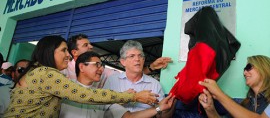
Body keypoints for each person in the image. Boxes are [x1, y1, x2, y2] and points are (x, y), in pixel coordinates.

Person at [3, 35, 159, 118]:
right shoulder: (46, 74)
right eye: (63, 51)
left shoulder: (39, 72)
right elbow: (86, 94)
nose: (68, 56)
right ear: (50, 52)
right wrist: (132, 97)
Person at [60, 51, 175, 118]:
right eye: (97, 65)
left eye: (102, 65)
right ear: (81, 67)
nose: (101, 69)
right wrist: (134, 97)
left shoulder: (104, 95)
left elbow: (129, 117)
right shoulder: (63, 89)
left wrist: (159, 108)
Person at [62, 34, 172, 88]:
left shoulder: (102, 71)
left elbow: (128, 75)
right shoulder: (64, 70)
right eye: (86, 45)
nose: (91, 46)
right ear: (74, 52)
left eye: (90, 44)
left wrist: (151, 67)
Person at [198, 55, 270, 118]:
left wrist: (219, 94)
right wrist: (210, 109)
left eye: (248, 67)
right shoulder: (246, 104)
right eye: (244, 70)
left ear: (263, 67)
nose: (244, 73)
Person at [103, 40, 165, 112]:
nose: (137, 59)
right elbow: (103, 107)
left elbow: (161, 113)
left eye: (140, 56)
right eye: (132, 56)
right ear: (123, 62)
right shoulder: (112, 81)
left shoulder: (154, 84)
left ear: (143, 59)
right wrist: (124, 98)